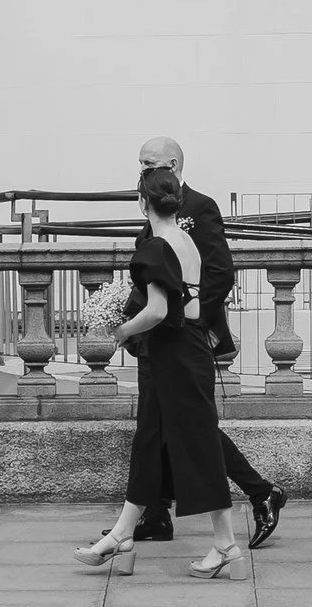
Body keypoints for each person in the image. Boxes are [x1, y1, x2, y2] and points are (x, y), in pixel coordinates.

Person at [72, 167, 248, 579]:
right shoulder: (183, 238)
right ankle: (121, 535)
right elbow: (189, 300)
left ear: (142, 202)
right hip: (187, 349)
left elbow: (157, 311)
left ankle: (226, 547)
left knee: (198, 445)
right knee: (149, 443)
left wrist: (121, 331)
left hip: (174, 355)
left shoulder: (153, 247)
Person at [124, 137, 287, 549]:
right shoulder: (155, 205)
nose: (142, 169)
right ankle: (157, 514)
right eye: (141, 163)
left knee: (188, 427)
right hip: (156, 338)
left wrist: (195, 326)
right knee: (154, 427)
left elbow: (218, 273)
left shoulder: (199, 206)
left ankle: (259, 491)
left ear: (173, 163)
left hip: (180, 336)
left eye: (150, 162)